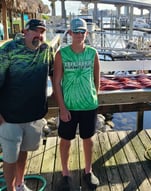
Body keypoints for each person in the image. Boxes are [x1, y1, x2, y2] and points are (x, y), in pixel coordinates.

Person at [0, 19, 54, 191]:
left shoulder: (47, 50)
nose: (39, 35)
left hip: (34, 115)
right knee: (10, 157)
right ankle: (10, 189)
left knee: (23, 152)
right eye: (35, 31)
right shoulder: (8, 50)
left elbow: (55, 74)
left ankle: (20, 183)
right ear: (25, 32)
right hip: (9, 116)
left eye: (42, 32)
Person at [53, 18, 100, 190]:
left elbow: (97, 79)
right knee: (65, 141)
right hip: (69, 107)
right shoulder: (61, 54)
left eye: (82, 32)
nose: (79, 35)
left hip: (89, 106)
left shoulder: (93, 52)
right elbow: (57, 82)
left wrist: (93, 96)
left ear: (86, 34)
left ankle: (88, 171)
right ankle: (65, 173)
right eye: (76, 31)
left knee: (88, 140)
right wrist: (62, 108)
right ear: (70, 33)